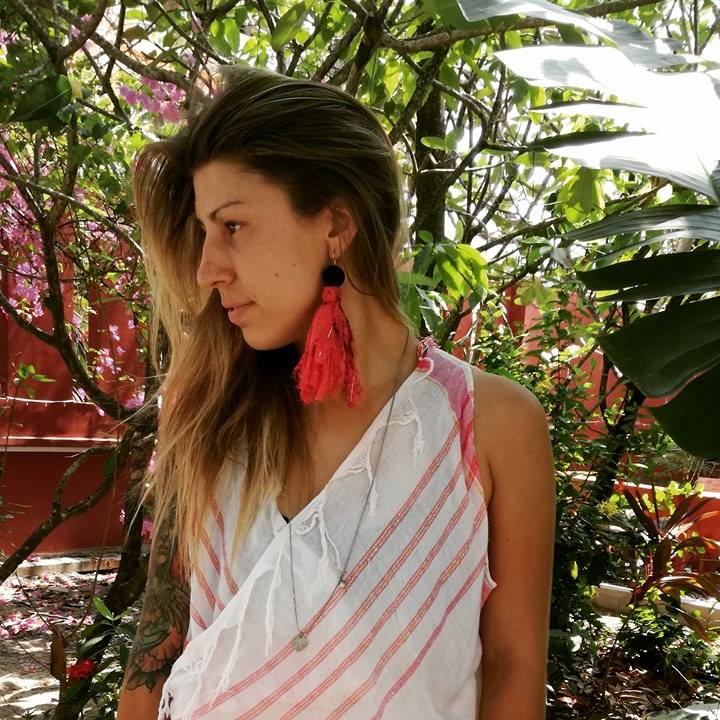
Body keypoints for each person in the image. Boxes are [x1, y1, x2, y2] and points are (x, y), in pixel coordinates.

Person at [116, 63, 556, 720]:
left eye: (231, 226)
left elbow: (514, 668)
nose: (207, 269)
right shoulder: (209, 415)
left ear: (336, 224)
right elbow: (157, 646)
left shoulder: (489, 425)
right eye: (205, 232)